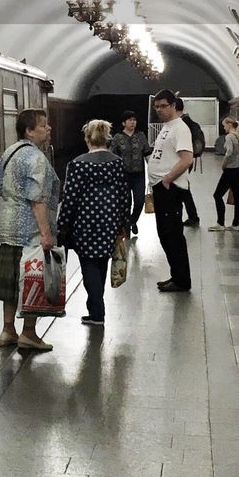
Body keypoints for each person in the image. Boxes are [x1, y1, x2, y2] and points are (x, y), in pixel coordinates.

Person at [0, 108, 60, 354]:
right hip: (31, 230)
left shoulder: (11, 151)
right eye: (43, 125)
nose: (48, 128)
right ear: (30, 131)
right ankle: (29, 333)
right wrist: (46, 233)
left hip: (9, 227)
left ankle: (7, 330)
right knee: (32, 280)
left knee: (10, 282)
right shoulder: (36, 158)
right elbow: (38, 199)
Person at [57, 119, 133, 326]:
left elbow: (69, 198)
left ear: (87, 138)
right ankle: (95, 309)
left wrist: (62, 226)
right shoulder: (116, 162)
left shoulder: (78, 164)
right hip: (110, 221)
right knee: (101, 262)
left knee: (88, 264)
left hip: (85, 223)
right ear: (106, 137)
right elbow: (125, 196)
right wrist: (124, 224)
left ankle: (97, 312)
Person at [147, 89, 194, 292]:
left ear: (174, 106)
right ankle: (176, 275)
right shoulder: (168, 127)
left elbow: (186, 158)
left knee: (173, 235)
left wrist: (167, 179)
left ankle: (182, 280)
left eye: (163, 106)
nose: (159, 110)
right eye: (156, 107)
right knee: (165, 234)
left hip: (170, 189)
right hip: (161, 187)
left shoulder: (180, 128)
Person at [110, 111, 151, 236]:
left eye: (134, 120)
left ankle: (133, 221)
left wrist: (153, 171)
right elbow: (113, 156)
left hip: (139, 174)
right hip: (123, 176)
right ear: (124, 123)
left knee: (139, 201)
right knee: (125, 203)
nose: (133, 122)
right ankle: (126, 228)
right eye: (130, 120)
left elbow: (147, 153)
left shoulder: (141, 136)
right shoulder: (117, 138)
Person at [209, 116, 239, 230]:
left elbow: (229, 152)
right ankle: (235, 224)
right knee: (237, 196)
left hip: (230, 170)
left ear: (229, 125)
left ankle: (220, 223)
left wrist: (224, 164)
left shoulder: (229, 137)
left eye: (224, 125)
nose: (223, 127)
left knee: (217, 195)